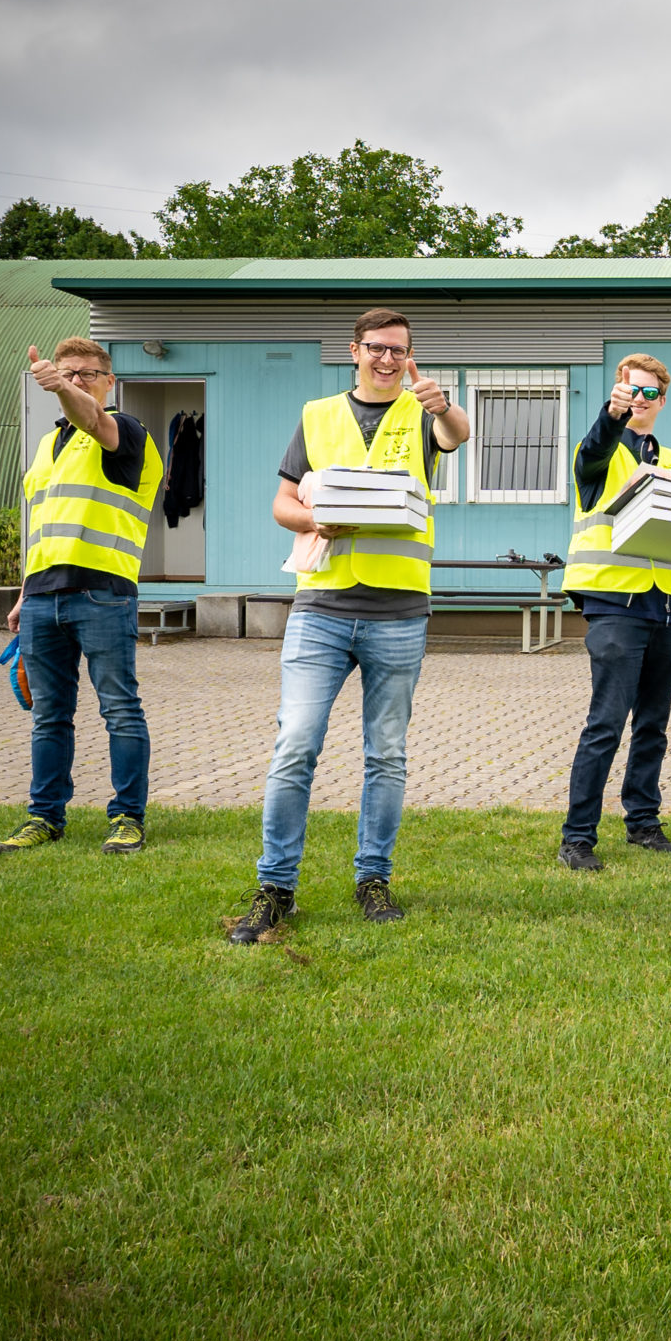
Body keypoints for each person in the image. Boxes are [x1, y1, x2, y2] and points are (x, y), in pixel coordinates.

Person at [227, 308, 471, 944]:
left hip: (397, 613)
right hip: (322, 610)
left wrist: (442, 403)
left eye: (397, 350)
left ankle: (374, 879)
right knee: (295, 745)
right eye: (375, 349)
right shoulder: (317, 415)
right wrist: (311, 523)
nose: (386, 360)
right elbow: (283, 501)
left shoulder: (425, 414)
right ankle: (275, 887)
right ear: (354, 351)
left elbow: (459, 434)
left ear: (409, 356)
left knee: (385, 754)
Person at [555, 353, 671, 868]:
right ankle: (578, 838)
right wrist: (611, 417)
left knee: (654, 721)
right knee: (606, 722)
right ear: (617, 392)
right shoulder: (599, 453)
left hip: (670, 606)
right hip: (615, 604)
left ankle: (644, 824)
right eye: (632, 390)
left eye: (650, 393)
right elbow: (594, 447)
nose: (640, 400)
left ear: (662, 401)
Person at [0, 338, 164, 855]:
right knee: (50, 715)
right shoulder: (46, 449)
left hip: (103, 594)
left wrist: (65, 387)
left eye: (89, 374)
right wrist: (26, 594)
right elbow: (42, 528)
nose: (78, 380)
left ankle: (128, 818)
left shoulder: (127, 432)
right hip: (45, 597)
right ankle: (44, 817)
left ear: (110, 382)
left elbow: (93, 421)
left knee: (120, 709)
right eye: (70, 373)